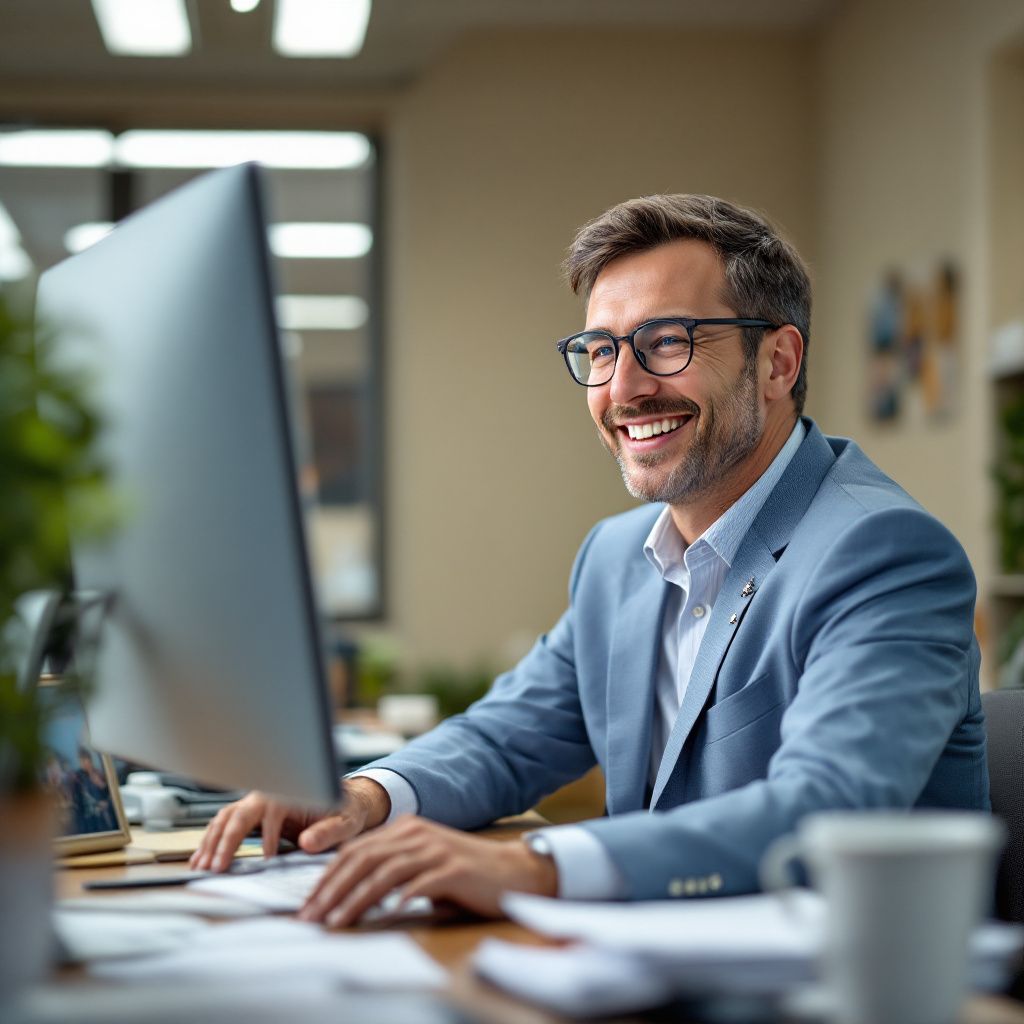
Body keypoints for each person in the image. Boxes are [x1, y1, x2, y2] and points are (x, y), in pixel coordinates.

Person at [191, 194, 988, 927]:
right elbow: (509, 739)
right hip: (651, 965)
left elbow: (827, 808)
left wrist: (533, 865)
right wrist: (363, 797)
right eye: (600, 351)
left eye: (666, 343)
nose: (624, 387)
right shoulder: (617, 557)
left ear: (778, 364)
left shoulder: (882, 553)